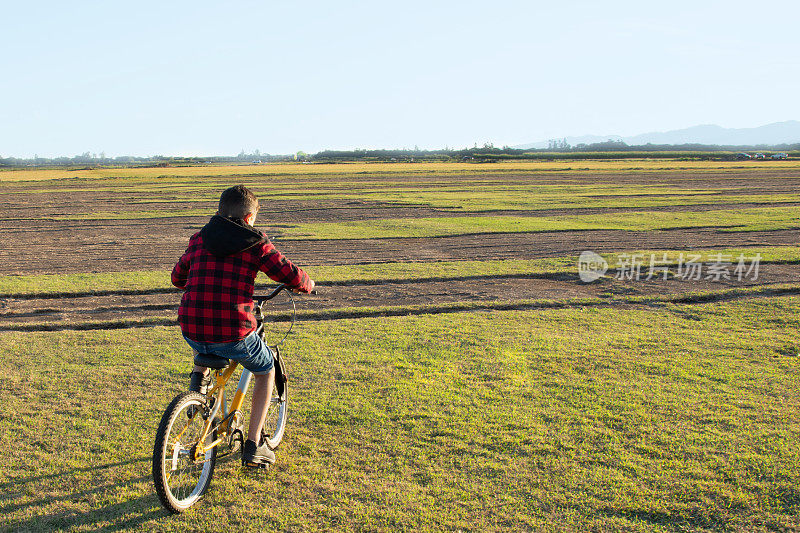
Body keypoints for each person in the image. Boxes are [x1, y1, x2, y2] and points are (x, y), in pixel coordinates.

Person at [171, 184, 315, 467]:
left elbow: (177, 277)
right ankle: (254, 444)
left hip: (190, 328)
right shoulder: (255, 242)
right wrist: (307, 285)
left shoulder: (199, 239)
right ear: (250, 217)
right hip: (232, 332)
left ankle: (197, 389)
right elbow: (288, 272)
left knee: (204, 330)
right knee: (265, 370)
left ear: (219, 211)